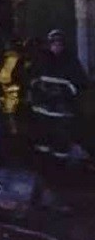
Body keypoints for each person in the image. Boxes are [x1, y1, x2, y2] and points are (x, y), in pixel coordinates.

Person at [28, 30, 88, 162]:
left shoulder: (70, 61)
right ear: (49, 45)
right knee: (43, 139)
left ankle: (60, 165)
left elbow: (80, 83)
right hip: (43, 108)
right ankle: (43, 162)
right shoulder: (41, 59)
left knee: (61, 140)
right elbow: (32, 79)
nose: (56, 46)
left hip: (62, 110)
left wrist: (67, 94)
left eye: (59, 44)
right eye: (53, 43)